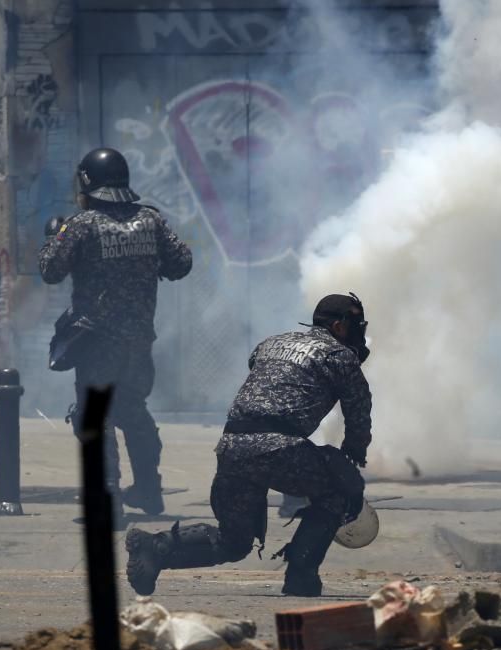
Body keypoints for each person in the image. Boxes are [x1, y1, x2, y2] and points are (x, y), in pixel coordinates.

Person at [125, 293, 372, 597]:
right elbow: (359, 413)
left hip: (232, 446)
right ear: (338, 326)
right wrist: (353, 457)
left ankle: (155, 547)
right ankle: (301, 575)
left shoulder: (269, 344)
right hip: (280, 448)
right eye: (355, 326)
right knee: (339, 488)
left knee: (235, 541)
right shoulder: (339, 356)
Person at [39, 147, 192, 522]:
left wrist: (54, 233)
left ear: (88, 183)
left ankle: (108, 501)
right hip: (139, 342)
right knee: (133, 411)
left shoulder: (82, 224)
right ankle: (149, 491)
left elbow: (49, 270)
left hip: (96, 344)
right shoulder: (150, 221)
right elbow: (182, 263)